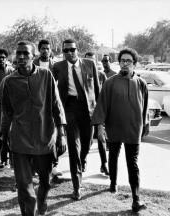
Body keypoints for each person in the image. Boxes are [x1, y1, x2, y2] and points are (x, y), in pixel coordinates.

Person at [1, 41, 67, 215]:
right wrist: (2, 137)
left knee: (45, 182)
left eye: (26, 53)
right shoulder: (8, 82)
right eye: (18, 53)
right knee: (24, 186)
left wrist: (61, 134)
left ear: (34, 55)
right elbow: (6, 112)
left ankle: (43, 201)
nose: (21, 57)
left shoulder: (46, 75)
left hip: (44, 138)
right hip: (20, 140)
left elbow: (56, 105)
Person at [91, 48, 148, 213]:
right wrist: (100, 128)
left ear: (134, 64)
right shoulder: (110, 82)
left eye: (128, 61)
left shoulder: (141, 83)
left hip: (133, 129)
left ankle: (136, 199)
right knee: (113, 157)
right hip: (114, 127)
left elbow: (144, 108)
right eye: (122, 60)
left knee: (133, 164)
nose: (125, 63)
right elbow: (101, 105)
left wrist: (144, 126)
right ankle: (113, 183)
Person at [53, 39, 100, 200]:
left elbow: (97, 89)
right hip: (70, 108)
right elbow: (51, 89)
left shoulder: (89, 64)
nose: (69, 53)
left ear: (77, 50)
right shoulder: (58, 67)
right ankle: (77, 186)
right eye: (66, 51)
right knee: (74, 148)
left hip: (88, 109)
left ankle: (84, 158)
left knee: (86, 144)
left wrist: (99, 114)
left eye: (72, 50)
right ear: (63, 52)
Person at [33, 39, 62, 179]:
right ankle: (35, 167)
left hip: (51, 105)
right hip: (36, 105)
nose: (45, 50)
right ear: (39, 50)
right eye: (43, 48)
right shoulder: (32, 64)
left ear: (51, 50)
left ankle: (54, 166)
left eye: (48, 48)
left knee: (53, 136)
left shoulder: (55, 66)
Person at [84, 52, 109, 176]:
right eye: (87, 60)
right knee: (87, 140)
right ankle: (83, 160)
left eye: (92, 61)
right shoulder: (80, 74)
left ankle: (104, 164)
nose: (89, 63)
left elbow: (105, 94)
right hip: (86, 112)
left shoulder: (101, 75)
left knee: (101, 138)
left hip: (99, 111)